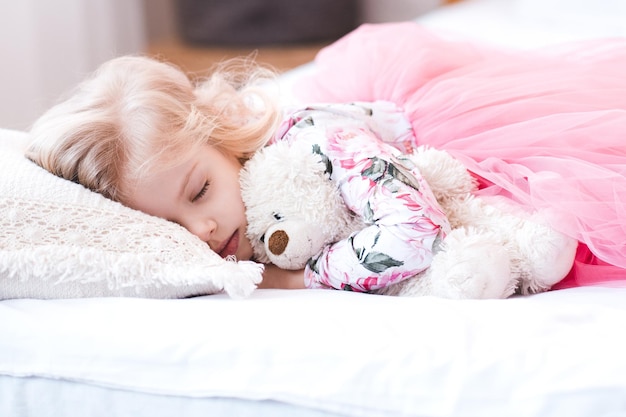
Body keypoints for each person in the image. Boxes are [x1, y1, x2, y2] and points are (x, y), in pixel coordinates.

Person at [26, 55, 452, 293]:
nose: (202, 230)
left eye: (199, 191)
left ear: (221, 131)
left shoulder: (316, 142)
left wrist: (296, 279)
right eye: (168, 225)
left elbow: (419, 231)